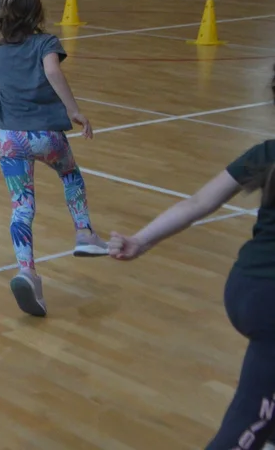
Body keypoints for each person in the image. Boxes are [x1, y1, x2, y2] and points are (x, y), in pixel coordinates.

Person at [108, 66, 275, 450]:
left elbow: (199, 201)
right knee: (246, 425)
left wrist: (141, 241)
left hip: (247, 284)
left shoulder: (267, 152)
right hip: (271, 301)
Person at [0, 0, 107, 317]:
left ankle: (28, 272)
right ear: (35, 12)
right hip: (45, 136)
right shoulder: (45, 43)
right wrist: (74, 110)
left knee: (22, 208)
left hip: (9, 140)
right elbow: (53, 72)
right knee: (70, 174)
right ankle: (84, 233)